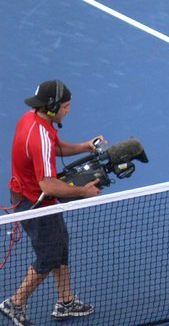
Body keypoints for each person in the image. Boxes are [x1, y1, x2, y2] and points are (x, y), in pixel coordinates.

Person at [0, 80, 102, 326]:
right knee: (48, 256)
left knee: (60, 243)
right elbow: (47, 184)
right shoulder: (40, 136)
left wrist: (84, 146)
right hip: (35, 202)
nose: (69, 110)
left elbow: (53, 148)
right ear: (53, 106)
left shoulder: (32, 118)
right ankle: (14, 303)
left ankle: (66, 302)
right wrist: (83, 192)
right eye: (66, 106)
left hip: (31, 196)